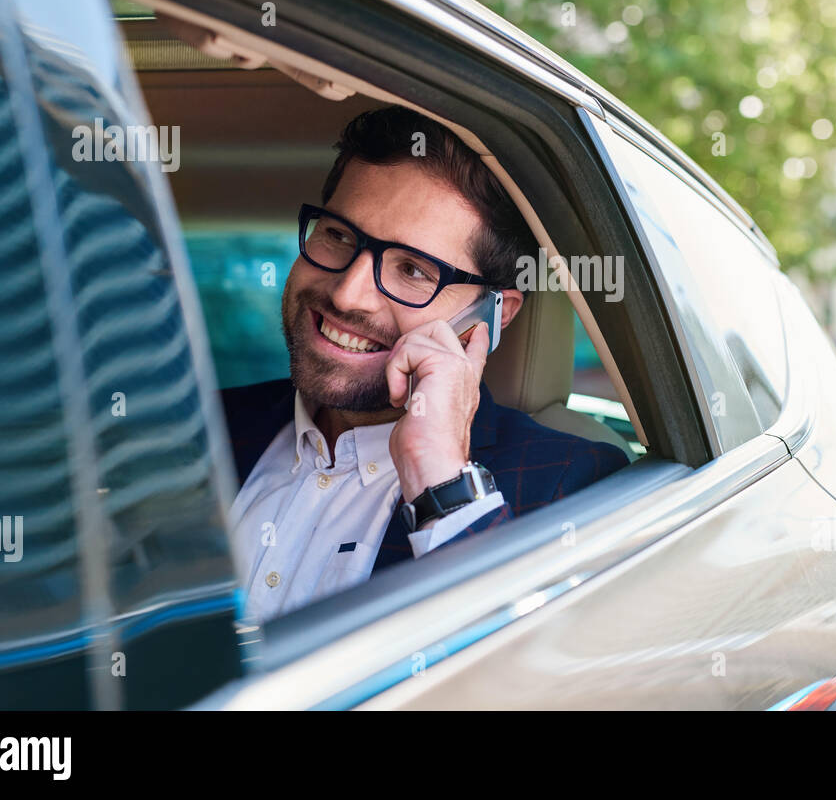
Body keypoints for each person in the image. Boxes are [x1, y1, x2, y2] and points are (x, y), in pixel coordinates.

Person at [223, 107, 629, 621]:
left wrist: (441, 481)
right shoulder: (199, 425)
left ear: (490, 316)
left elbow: (521, 682)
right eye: (339, 236)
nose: (349, 294)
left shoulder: (570, 484)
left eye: (413, 269)